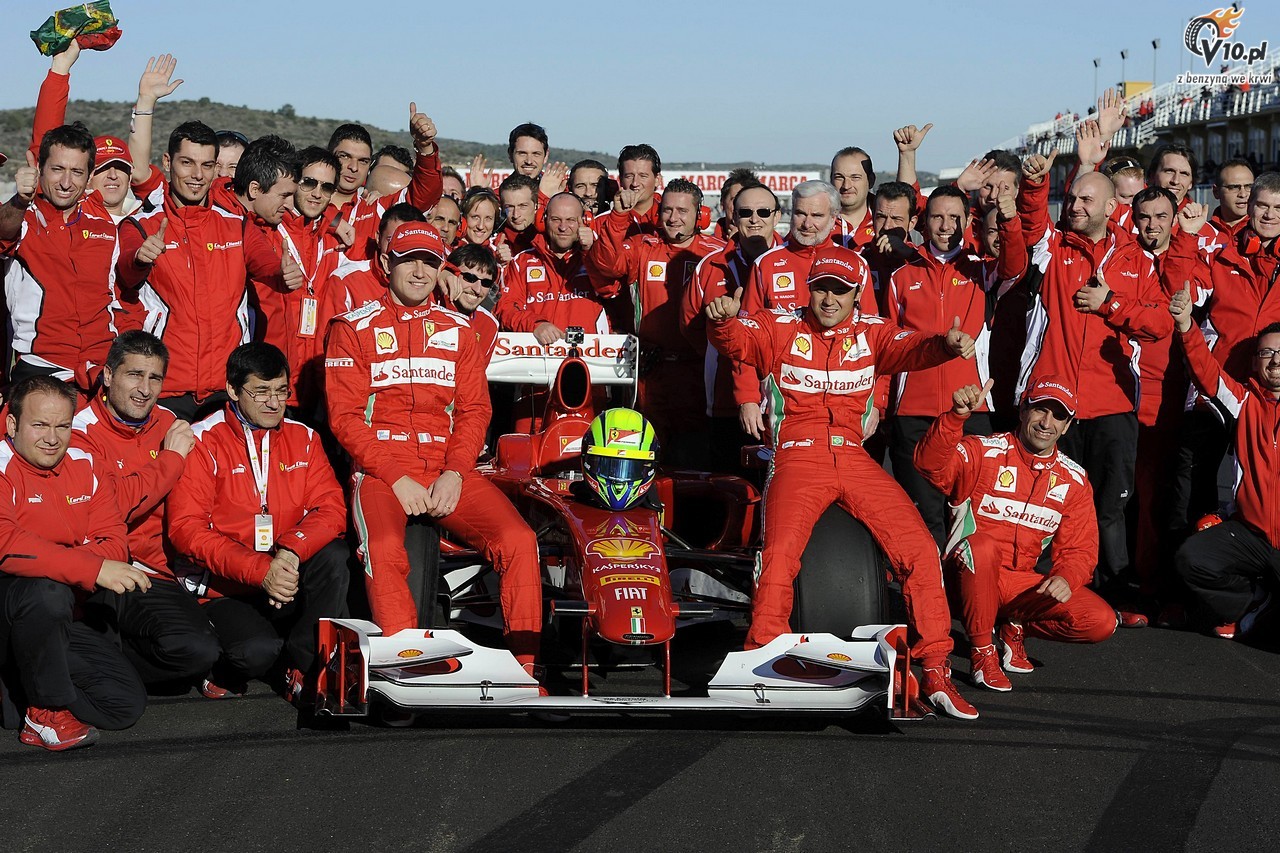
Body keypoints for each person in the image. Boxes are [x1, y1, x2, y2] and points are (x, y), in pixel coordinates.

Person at [705, 247, 980, 719]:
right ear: (808, 288)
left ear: (857, 294)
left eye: (840, 290)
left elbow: (913, 347)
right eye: (820, 287)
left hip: (854, 456)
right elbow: (738, 342)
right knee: (780, 553)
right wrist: (723, 319)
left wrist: (948, 345)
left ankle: (935, 670)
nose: (828, 298)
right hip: (797, 454)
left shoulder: (873, 333)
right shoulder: (781, 324)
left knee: (919, 549)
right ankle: (761, 658)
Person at [324, 223, 544, 678]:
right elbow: (344, 418)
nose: (419, 270)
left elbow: (474, 411)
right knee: (384, 548)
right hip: (382, 471)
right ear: (387, 264)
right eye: (409, 260)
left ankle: (526, 667)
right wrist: (395, 476)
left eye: (429, 261)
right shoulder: (352, 328)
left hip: (447, 468)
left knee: (519, 540)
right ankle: (406, 670)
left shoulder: (460, 330)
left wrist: (456, 472)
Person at [1015, 152, 1172, 602]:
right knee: (1046, 503)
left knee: (1110, 509)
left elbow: (1160, 325)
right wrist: (1035, 183)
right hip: (1055, 404)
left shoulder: (1136, 260)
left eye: (1087, 199)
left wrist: (1111, 304)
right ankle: (1036, 593)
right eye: (1071, 198)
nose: (1076, 206)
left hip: (1113, 405)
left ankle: (1116, 594)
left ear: (1110, 208)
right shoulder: (1055, 248)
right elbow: (1030, 221)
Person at [167, 343, 349, 700]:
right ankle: (237, 662)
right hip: (225, 588)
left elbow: (331, 509)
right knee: (254, 654)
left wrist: (290, 552)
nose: (273, 402)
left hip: (284, 575)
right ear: (233, 390)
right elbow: (186, 531)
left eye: (281, 391)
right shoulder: (202, 440)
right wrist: (258, 570)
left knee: (334, 556)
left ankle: (301, 663)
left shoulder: (305, 437)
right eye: (261, 391)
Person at [913, 377, 1115, 692]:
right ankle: (982, 652)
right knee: (981, 546)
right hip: (960, 578)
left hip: (1016, 585)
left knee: (1100, 621)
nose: (1047, 422)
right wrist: (955, 418)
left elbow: (1080, 551)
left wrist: (1066, 577)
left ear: (1067, 426)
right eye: (1039, 410)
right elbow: (929, 466)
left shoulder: (1075, 480)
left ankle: (1013, 624)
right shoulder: (982, 450)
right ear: (1022, 410)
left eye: (1058, 416)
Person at [116, 121, 301, 421]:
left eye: (206, 165)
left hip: (224, 390)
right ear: (167, 162)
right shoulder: (140, 224)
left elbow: (265, 264)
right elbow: (126, 275)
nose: (197, 175)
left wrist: (281, 275)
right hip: (165, 389)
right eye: (187, 163)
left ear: (217, 168)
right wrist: (139, 259)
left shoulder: (237, 225)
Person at [0, 376, 146, 750]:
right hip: (15, 609)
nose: (52, 438)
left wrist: (66, 560)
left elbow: (115, 543)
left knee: (123, 706)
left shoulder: (86, 464)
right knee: (44, 590)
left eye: (62, 426)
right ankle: (44, 711)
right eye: (40, 425)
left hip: (61, 617)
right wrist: (89, 565)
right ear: (13, 425)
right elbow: (5, 543)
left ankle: (25, 680)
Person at [71, 331, 220, 691]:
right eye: (134, 374)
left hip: (156, 572)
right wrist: (170, 460)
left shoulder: (170, 423)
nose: (145, 388)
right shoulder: (80, 431)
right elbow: (112, 505)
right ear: (108, 376)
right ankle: (99, 668)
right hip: (99, 569)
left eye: (154, 378)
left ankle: (117, 668)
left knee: (201, 652)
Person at [886, 184, 1026, 547]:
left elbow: (1015, 264)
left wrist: (1009, 219)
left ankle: (968, 599)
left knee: (972, 517)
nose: (945, 225)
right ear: (922, 222)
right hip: (912, 415)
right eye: (937, 216)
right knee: (922, 518)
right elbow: (886, 348)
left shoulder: (983, 271)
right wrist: (878, 408)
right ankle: (928, 599)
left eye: (954, 217)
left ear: (966, 222)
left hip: (971, 411)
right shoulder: (902, 276)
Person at [588, 178, 725, 460]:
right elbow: (606, 265)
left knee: (695, 457)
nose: (673, 218)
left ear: (701, 216)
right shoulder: (642, 246)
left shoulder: (716, 253)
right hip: (651, 372)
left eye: (682, 211)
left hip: (697, 374)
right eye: (667, 210)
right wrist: (617, 218)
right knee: (646, 454)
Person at [1171, 296, 1280, 638]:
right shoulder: (1244, 401)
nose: (1275, 360)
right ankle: (1250, 603)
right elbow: (1206, 373)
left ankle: (1264, 614)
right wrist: (1188, 326)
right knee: (1192, 557)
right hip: (1250, 534)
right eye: (1266, 353)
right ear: (1254, 362)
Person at [735, 181, 878, 440]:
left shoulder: (856, 264)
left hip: (843, 407)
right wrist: (747, 399)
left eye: (817, 215)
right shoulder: (765, 264)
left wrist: (877, 404)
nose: (806, 223)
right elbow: (745, 339)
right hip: (781, 408)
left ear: (834, 218)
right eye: (800, 213)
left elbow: (875, 338)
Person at [0, 122, 121, 393]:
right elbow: (2, 231)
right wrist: (19, 200)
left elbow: (118, 298)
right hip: (41, 367)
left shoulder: (106, 227)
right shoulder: (24, 218)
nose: (66, 183)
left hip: (101, 369)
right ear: (40, 168)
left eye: (77, 172)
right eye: (57, 169)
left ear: (90, 177)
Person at [682, 182, 780, 471]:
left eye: (763, 211)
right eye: (746, 212)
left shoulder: (792, 264)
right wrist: (722, 353)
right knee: (730, 485)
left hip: (785, 400)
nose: (755, 219)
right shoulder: (710, 266)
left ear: (776, 216)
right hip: (726, 400)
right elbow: (691, 326)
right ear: (733, 218)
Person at [496, 192, 609, 344]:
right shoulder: (522, 261)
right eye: (556, 220)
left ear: (585, 221)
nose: (563, 227)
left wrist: (590, 252)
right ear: (543, 220)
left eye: (571, 220)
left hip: (590, 355)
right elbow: (506, 309)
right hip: (537, 355)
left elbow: (611, 289)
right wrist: (535, 325)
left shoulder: (598, 257)